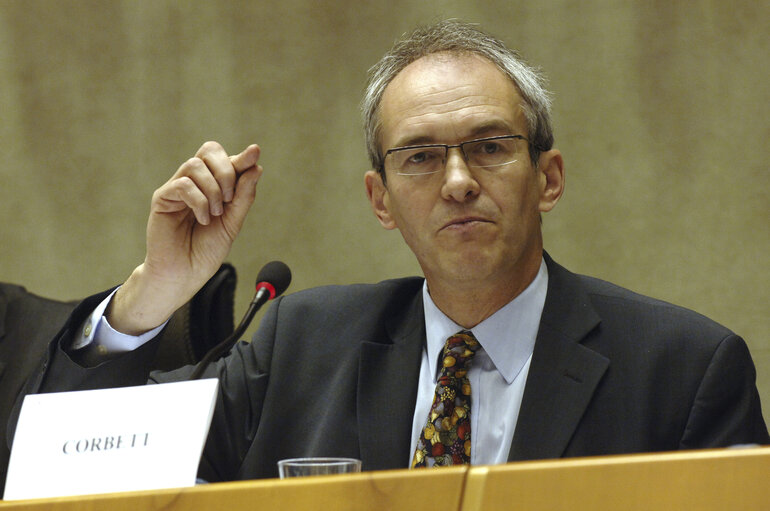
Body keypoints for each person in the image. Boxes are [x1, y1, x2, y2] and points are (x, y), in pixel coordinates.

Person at [9, 20, 768, 482]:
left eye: (491, 147)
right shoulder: (295, 348)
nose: (460, 181)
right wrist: (155, 291)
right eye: (420, 158)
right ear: (381, 201)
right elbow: (80, 469)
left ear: (550, 177)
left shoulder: (686, 370)